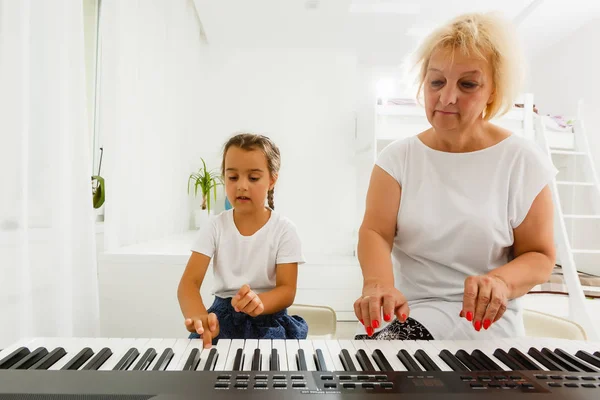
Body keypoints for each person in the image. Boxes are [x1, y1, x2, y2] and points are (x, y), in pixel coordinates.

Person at [353, 12, 557, 341]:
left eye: (468, 84)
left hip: (485, 323)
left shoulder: (522, 161)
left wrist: (501, 283)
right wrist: (378, 284)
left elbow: (540, 255)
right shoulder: (397, 159)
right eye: (437, 82)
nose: (447, 97)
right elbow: (375, 231)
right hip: (410, 315)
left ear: (493, 91)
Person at [178, 133, 308, 348]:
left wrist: (260, 302)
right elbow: (188, 284)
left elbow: (287, 290)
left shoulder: (284, 230)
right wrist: (199, 317)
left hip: (269, 319)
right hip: (221, 319)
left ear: (272, 179)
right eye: (233, 177)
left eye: (253, 178)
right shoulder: (214, 226)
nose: (242, 186)